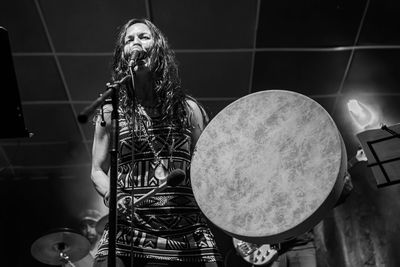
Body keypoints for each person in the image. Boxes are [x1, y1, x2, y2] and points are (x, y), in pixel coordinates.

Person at [91, 18, 223, 267]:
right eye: (129, 40)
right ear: (123, 56)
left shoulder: (189, 109)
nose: (136, 43)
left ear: (158, 48)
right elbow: (97, 169)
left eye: (144, 37)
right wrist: (113, 194)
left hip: (188, 233)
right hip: (128, 233)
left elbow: (209, 167)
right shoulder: (111, 112)